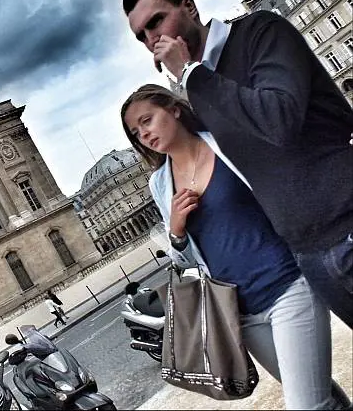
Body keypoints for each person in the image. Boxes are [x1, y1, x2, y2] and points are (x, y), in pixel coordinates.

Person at [122, 0, 353, 328]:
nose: (152, 38)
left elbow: (279, 121)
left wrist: (190, 73)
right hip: (309, 252)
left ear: (189, 7)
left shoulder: (260, 32)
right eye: (141, 35)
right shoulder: (202, 86)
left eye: (156, 21)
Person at [120, 84, 350, 410]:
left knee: (306, 404)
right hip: (240, 313)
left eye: (147, 120)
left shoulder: (226, 143)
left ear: (174, 109)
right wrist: (176, 232)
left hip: (289, 285)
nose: (143, 134)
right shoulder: (159, 184)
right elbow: (185, 260)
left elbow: (280, 193)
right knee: (320, 394)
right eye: (135, 132)